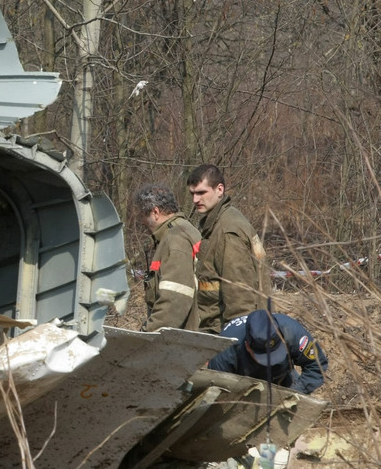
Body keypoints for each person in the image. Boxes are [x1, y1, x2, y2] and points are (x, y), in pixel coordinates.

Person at [186, 164, 267, 333]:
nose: (195, 200)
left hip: (227, 332)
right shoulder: (218, 223)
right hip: (220, 329)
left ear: (219, 189)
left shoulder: (227, 230)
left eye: (201, 193)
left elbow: (239, 294)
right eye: (192, 194)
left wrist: (237, 339)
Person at [207, 309, 327, 395]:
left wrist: (296, 392)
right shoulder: (225, 349)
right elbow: (217, 392)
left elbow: (317, 366)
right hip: (240, 382)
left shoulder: (293, 333)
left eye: (275, 355)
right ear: (247, 346)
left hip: (282, 376)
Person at [132, 184, 199, 331]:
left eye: (143, 215)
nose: (142, 222)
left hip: (185, 339)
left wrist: (146, 334)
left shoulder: (175, 239)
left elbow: (174, 302)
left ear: (155, 212)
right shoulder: (181, 230)